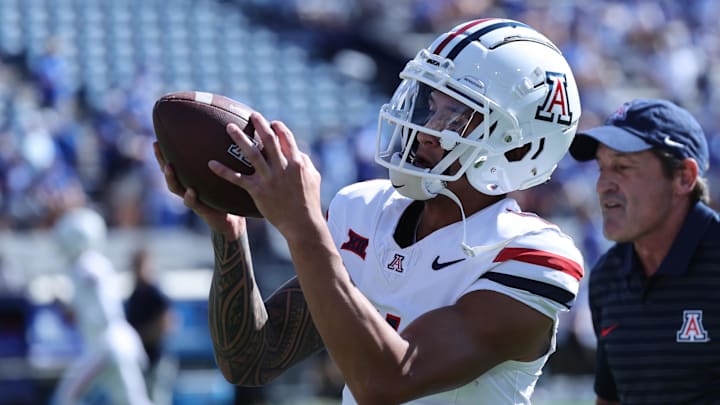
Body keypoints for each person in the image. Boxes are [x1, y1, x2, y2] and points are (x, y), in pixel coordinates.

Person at [155, 18, 584, 404]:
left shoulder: (530, 255)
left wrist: (304, 228)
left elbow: (388, 382)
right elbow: (252, 360)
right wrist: (230, 233)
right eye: (431, 105)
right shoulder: (365, 210)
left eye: (456, 114)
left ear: (519, 145)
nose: (427, 128)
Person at [568, 98, 720, 404]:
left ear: (684, 177)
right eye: (602, 168)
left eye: (622, 167)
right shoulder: (607, 276)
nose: (602, 185)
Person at [50, 207, 153, 405]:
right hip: (119, 343)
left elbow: (94, 286)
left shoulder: (85, 264)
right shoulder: (96, 263)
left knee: (66, 397)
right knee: (132, 401)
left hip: (105, 347)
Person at [126, 247, 177, 405]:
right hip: (140, 362)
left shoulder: (154, 293)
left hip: (157, 360)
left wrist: (141, 336)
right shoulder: (135, 295)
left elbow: (168, 322)